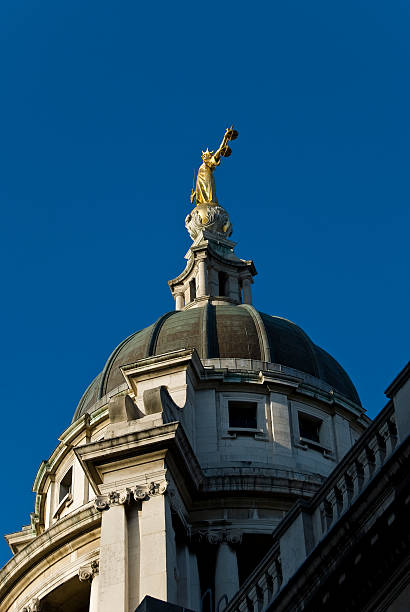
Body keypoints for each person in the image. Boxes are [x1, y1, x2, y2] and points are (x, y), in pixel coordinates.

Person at [190, 126, 238, 205]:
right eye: (204, 156)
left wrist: (225, 138)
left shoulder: (209, 163)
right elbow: (199, 184)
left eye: (207, 156)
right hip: (201, 187)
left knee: (209, 195)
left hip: (208, 181)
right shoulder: (201, 167)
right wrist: (194, 194)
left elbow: (220, 149)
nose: (205, 157)